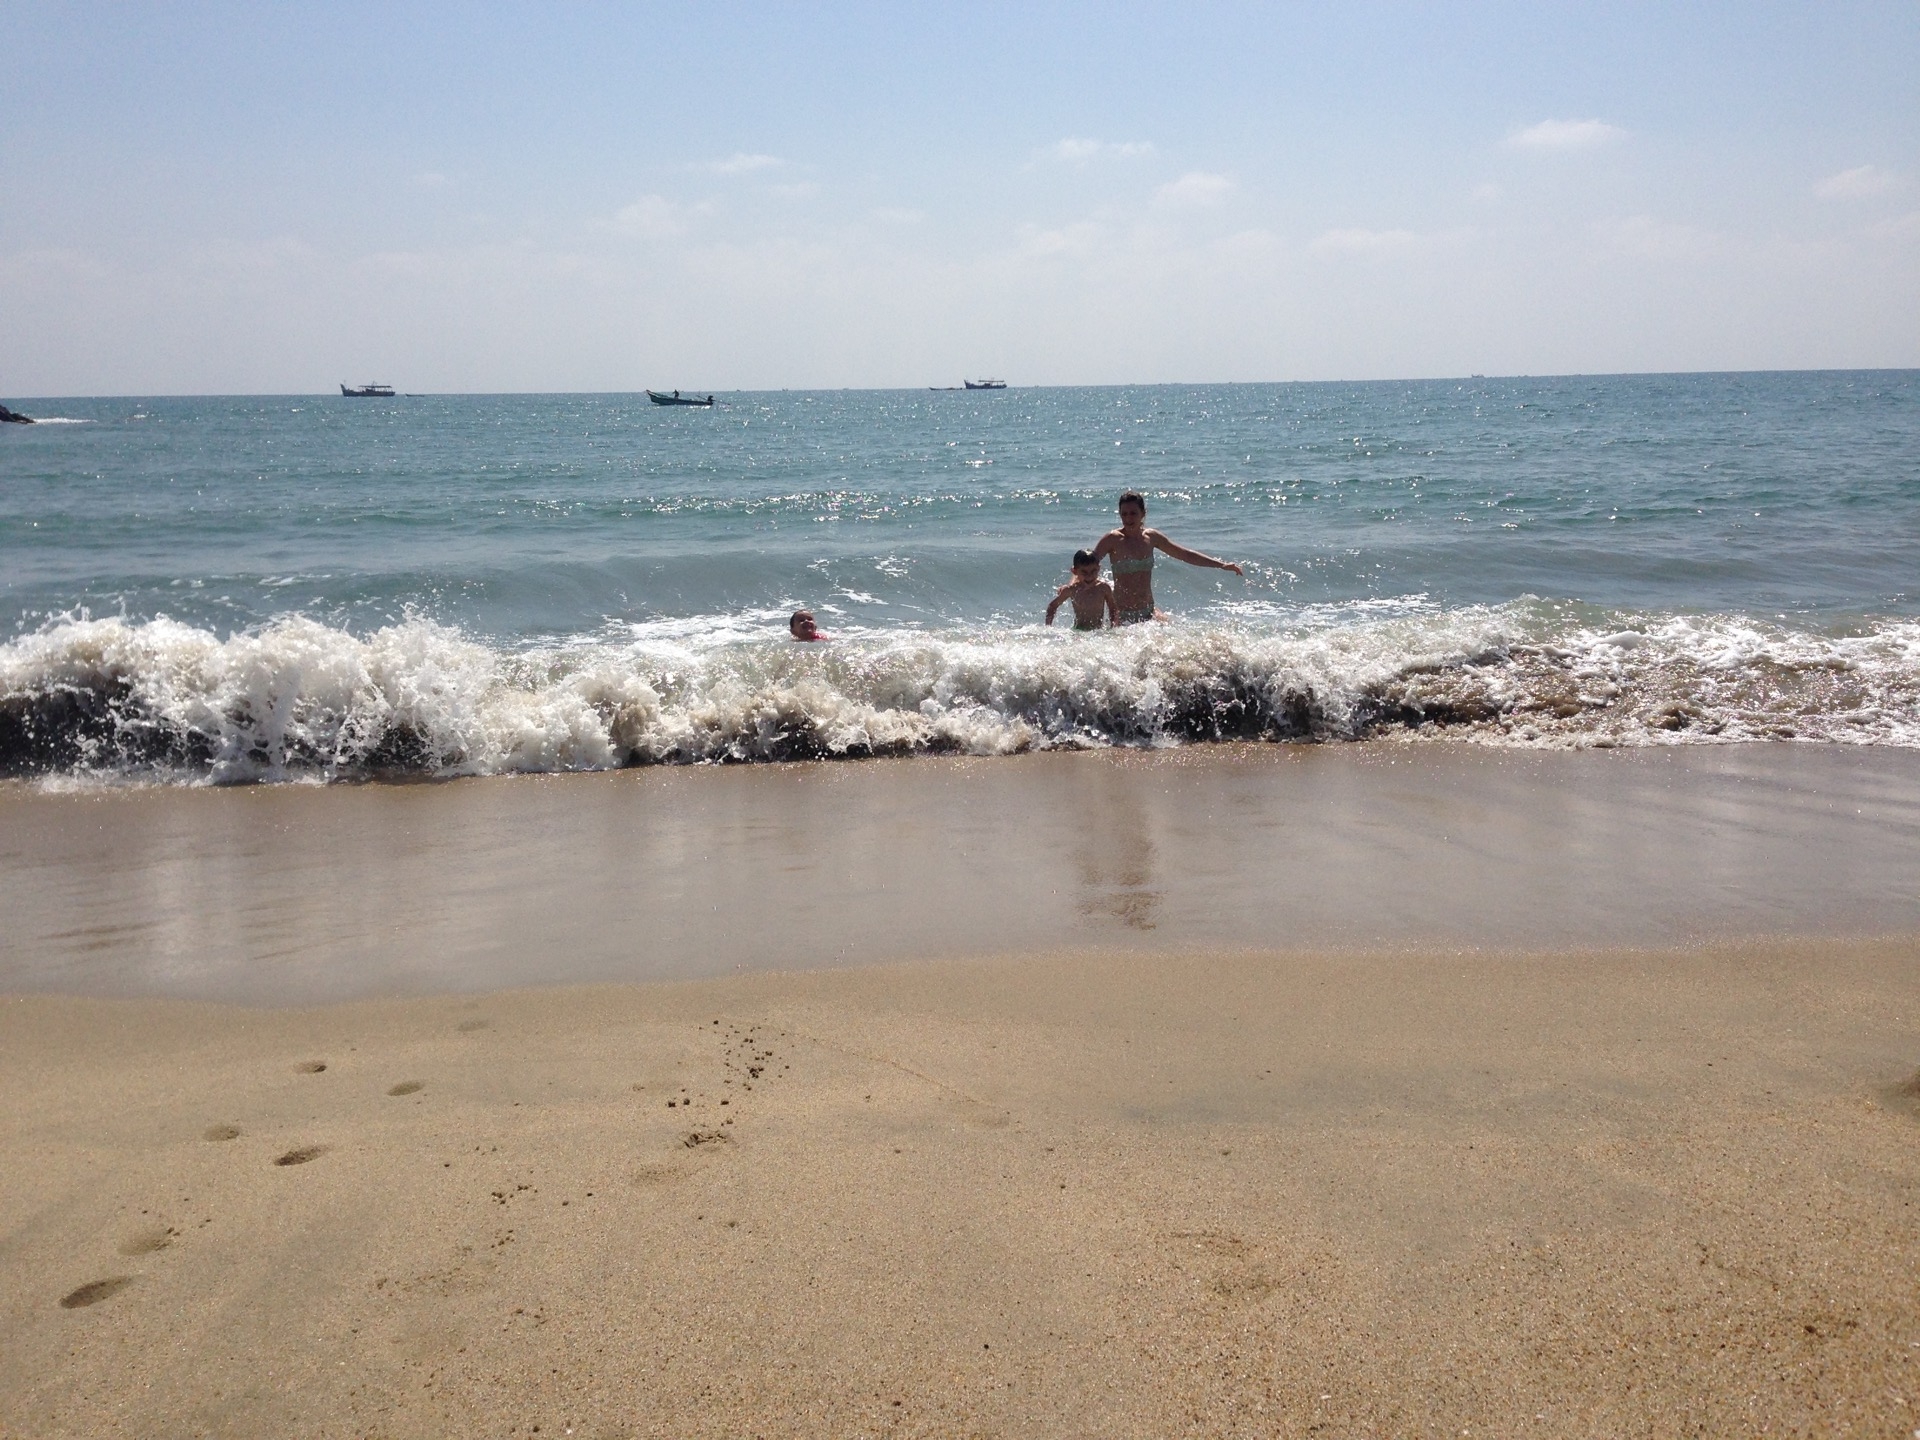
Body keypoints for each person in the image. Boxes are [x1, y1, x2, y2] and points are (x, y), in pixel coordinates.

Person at [1090, 490, 1243, 624]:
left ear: (1143, 513)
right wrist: (1077, 588)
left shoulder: (1151, 537)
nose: (1128, 518)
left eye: (1133, 513)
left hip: (1149, 612)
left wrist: (1221, 565)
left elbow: (1185, 554)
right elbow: (1087, 564)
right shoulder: (1113, 539)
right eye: (1124, 514)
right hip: (1123, 615)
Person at [1046, 550, 1119, 631]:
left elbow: (1113, 608)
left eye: (1093, 571)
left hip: (1098, 631)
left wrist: (1113, 627)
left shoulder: (1103, 588)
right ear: (1074, 571)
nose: (1089, 576)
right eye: (1084, 572)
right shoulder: (1072, 590)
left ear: (1099, 568)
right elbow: (1052, 606)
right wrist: (1048, 627)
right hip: (1078, 630)